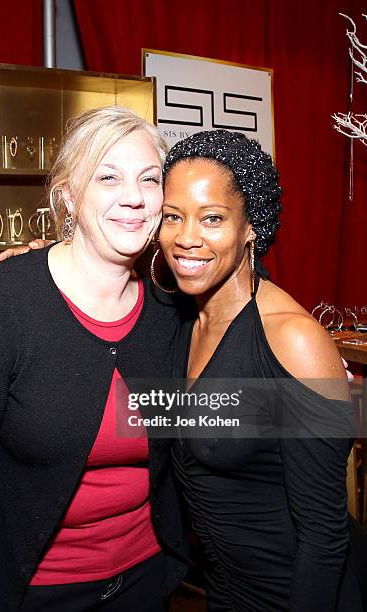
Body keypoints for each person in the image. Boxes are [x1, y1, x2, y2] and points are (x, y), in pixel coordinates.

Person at [0, 106, 189, 612]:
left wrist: (327, 397)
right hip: (31, 590)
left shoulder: (171, 311)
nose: (133, 197)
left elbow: (224, 418)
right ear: (68, 195)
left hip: (149, 577)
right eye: (108, 176)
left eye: (150, 179)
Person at [154, 129, 362, 611]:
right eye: (173, 217)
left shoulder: (293, 339)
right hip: (223, 590)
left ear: (251, 226)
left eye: (212, 218)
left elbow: (324, 537)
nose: (187, 237)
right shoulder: (181, 316)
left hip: (294, 594)